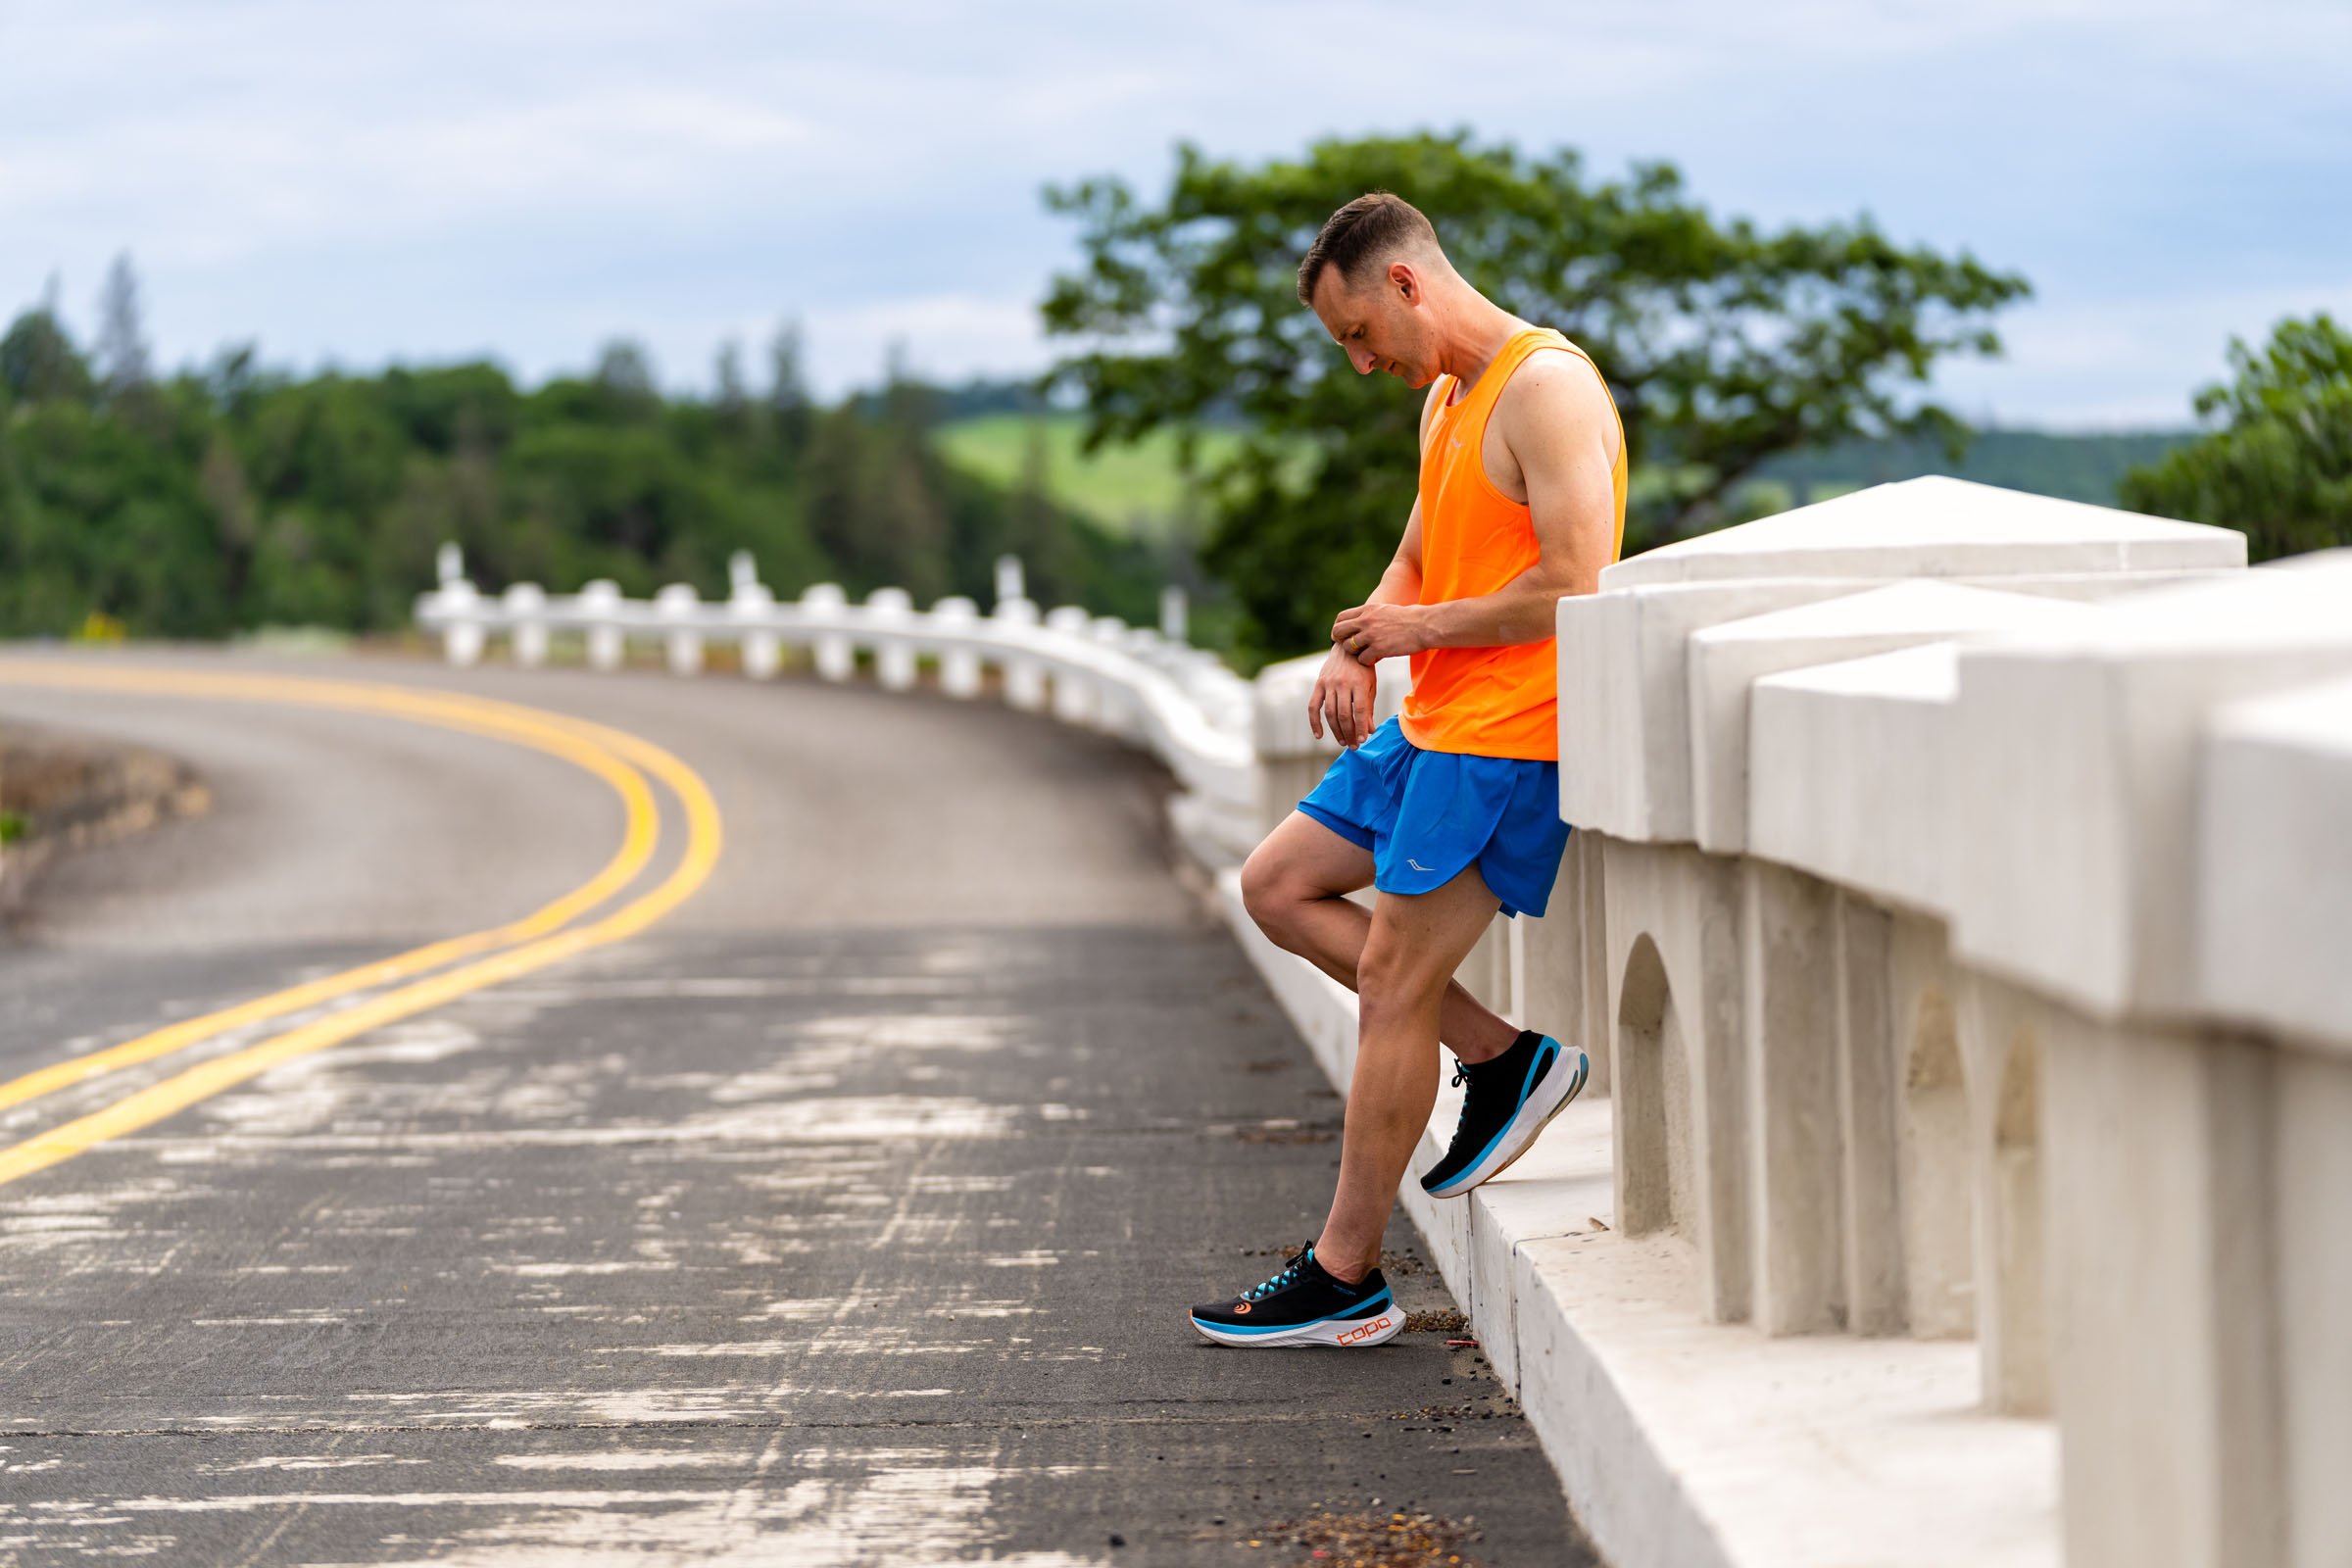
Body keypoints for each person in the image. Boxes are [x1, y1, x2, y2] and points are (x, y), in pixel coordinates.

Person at [1190, 192, 1626, 1349]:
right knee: (1276, 884)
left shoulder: (1547, 386)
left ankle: (1348, 1274)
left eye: (1357, 335)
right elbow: (1424, 551)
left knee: (1390, 979)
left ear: (1404, 284)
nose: (1359, 361)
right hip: (1433, 723)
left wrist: (1417, 636)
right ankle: (1500, 1055)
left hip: (1508, 737)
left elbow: (1581, 580)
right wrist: (1362, 635)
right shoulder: (1448, 395)